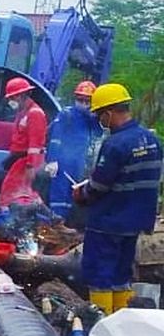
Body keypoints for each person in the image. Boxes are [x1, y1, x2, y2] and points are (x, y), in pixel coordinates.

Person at [73, 83, 162, 315]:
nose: (100, 121)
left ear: (109, 113)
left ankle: (101, 323)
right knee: (122, 275)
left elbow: (99, 186)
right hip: (135, 222)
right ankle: (122, 324)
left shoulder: (115, 143)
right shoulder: (152, 141)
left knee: (100, 276)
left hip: (108, 222)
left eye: (100, 115)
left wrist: (81, 194)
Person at [44, 80, 103, 226]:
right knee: (60, 194)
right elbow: (56, 137)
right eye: (80, 99)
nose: (83, 103)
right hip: (62, 162)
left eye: (87, 100)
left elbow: (99, 132)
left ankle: (64, 226)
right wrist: (52, 160)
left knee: (73, 195)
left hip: (79, 161)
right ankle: (56, 226)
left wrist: (94, 116)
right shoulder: (67, 114)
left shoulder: (91, 118)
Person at [0, 77, 48, 209]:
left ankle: (12, 221)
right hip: (20, 159)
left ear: (20, 96)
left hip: (26, 161)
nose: (10, 102)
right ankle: (50, 220)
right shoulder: (22, 113)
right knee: (26, 194)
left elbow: (35, 145)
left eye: (12, 98)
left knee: (13, 193)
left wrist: (31, 167)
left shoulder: (34, 113)